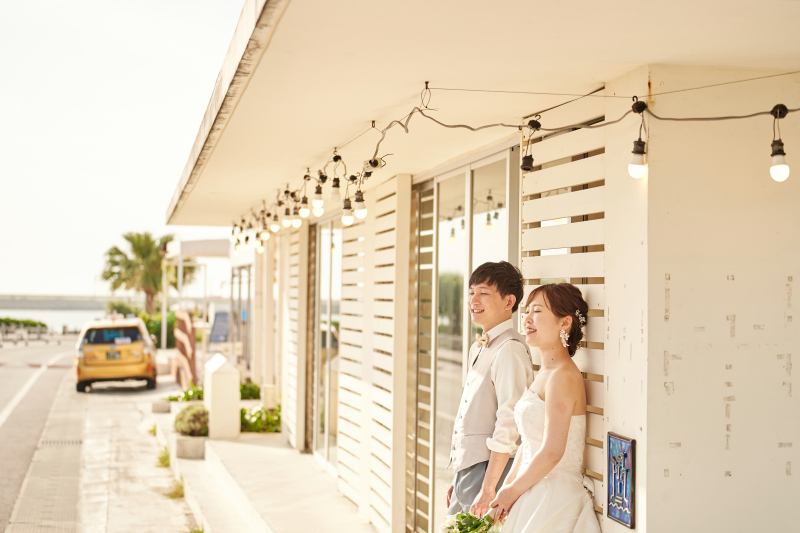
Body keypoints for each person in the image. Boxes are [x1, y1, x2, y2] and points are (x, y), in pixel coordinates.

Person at [489, 283, 600, 533]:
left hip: (554, 494)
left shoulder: (562, 375)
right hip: (533, 487)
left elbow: (552, 451)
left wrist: (512, 491)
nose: (527, 319)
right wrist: (506, 489)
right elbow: (529, 444)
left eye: (537, 311)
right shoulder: (545, 373)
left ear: (565, 323)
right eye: (526, 311)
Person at [446, 261, 534, 519]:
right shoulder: (480, 347)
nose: (474, 299)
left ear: (509, 301)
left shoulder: (510, 349)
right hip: (470, 471)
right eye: (471, 292)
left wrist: (488, 487)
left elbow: (509, 423)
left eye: (483, 292)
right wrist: (459, 476)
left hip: (490, 471)